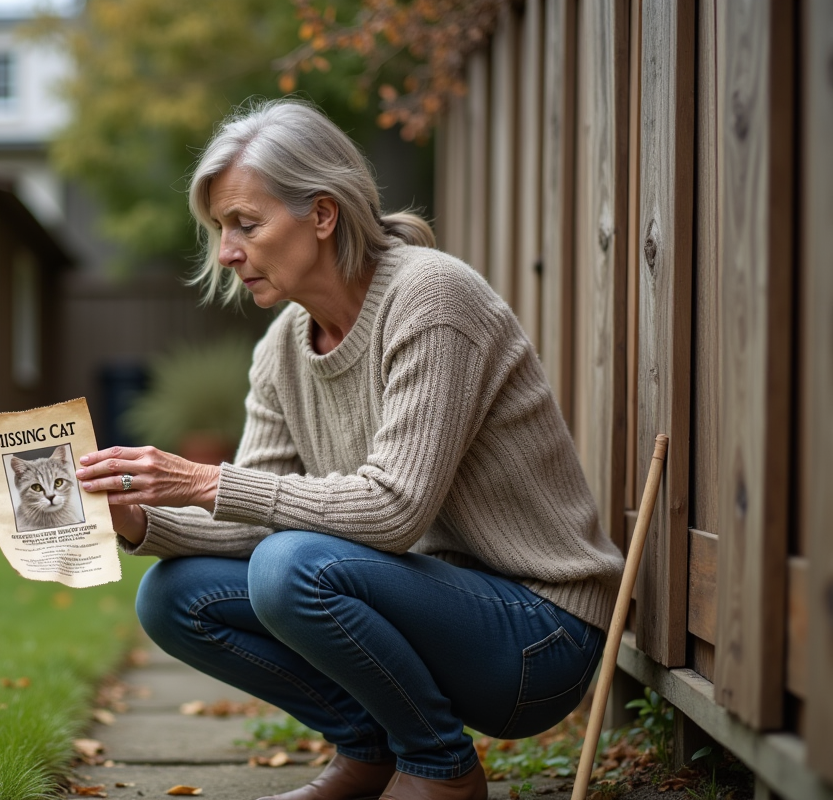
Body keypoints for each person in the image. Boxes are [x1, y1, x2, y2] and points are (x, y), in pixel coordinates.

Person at [76, 99, 624, 800]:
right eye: (220, 229)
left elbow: (395, 509)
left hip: (538, 636)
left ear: (323, 215)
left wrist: (205, 480)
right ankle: (368, 753)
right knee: (175, 597)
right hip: (428, 603)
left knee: (290, 566)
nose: (226, 252)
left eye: (246, 223)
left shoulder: (431, 298)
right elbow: (251, 516)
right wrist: (140, 520)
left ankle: (439, 769)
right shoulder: (283, 347)